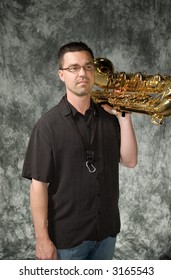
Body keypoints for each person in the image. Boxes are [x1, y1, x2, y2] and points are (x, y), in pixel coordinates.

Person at [22, 41, 138, 260]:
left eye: (88, 66)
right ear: (61, 75)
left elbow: (130, 161)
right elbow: (38, 187)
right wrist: (42, 240)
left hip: (106, 233)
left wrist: (125, 117)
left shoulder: (110, 118)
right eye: (73, 68)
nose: (82, 73)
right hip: (67, 239)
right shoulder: (47, 126)